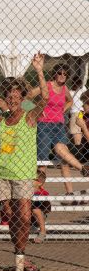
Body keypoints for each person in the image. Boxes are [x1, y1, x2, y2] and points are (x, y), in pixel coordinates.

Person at [0, 53, 48, 271]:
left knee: (24, 216)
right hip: (3, 173)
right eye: (9, 96)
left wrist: (39, 71)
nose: (13, 100)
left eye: (16, 96)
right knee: (10, 216)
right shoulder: (0, 120)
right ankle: (19, 255)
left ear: (22, 97)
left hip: (23, 174)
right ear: (5, 98)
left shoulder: (29, 117)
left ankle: (21, 256)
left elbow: (45, 97)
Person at [28, 62, 78, 193]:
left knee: (64, 158)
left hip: (59, 126)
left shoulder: (65, 89)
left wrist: (62, 111)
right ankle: (39, 191)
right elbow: (28, 96)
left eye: (65, 74)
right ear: (55, 74)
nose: (62, 76)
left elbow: (70, 101)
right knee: (42, 159)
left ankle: (70, 192)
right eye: (60, 73)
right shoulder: (47, 86)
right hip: (44, 125)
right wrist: (36, 109)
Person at [32, 170, 50, 245]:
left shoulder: (42, 193)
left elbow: (47, 207)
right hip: (28, 214)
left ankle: (43, 232)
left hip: (40, 214)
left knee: (36, 210)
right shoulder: (25, 190)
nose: (29, 181)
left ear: (39, 183)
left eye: (33, 179)